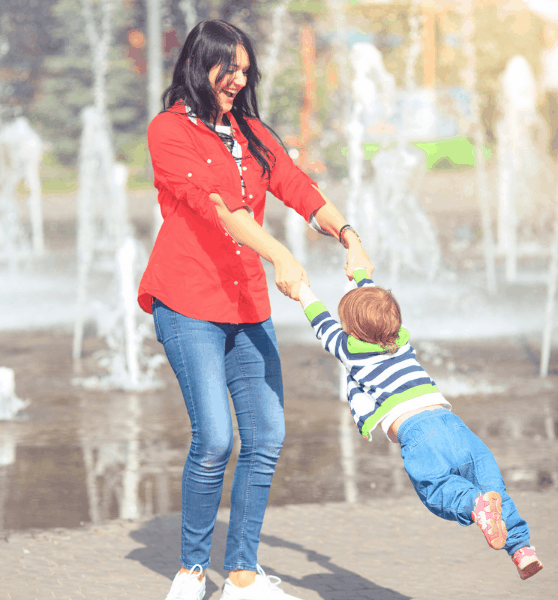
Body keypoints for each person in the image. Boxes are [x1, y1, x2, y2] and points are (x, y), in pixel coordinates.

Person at [137, 20, 373, 600]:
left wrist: (348, 233)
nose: (239, 80)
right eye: (229, 68)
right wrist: (281, 255)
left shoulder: (250, 130)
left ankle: (242, 573)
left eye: (246, 70)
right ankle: (192, 571)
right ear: (200, 64)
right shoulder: (168, 130)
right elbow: (214, 207)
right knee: (215, 438)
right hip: (187, 301)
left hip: (245, 305)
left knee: (266, 434)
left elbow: (295, 184)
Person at [297, 269, 544, 581]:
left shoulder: (349, 351)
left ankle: (473, 504)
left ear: (351, 332)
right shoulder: (400, 340)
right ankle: (522, 550)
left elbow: (321, 325)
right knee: (494, 489)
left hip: (419, 433)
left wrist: (303, 290)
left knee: (438, 489)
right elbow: (377, 305)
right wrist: (360, 272)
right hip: (454, 426)